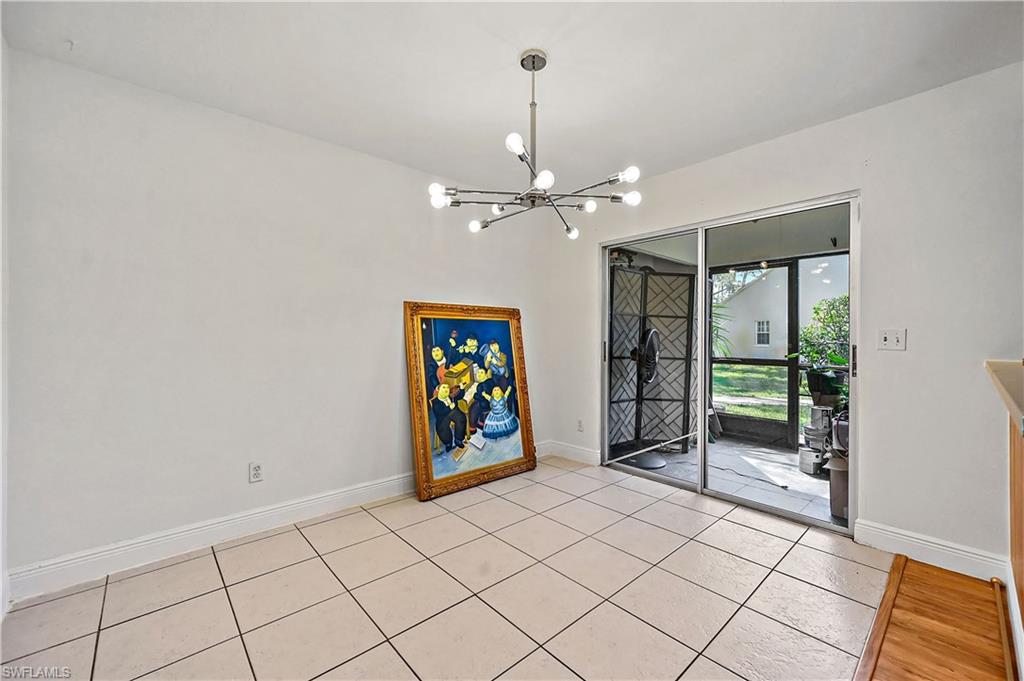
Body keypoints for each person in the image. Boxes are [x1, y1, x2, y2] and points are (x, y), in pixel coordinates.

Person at [431, 383, 467, 453]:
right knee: (442, 428)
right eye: (443, 388)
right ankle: (448, 443)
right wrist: (449, 408)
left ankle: (458, 440)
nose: (446, 389)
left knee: (461, 418)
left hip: (453, 412)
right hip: (442, 416)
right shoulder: (436, 402)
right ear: (438, 390)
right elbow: (438, 412)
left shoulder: (451, 396)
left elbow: (460, 396)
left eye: (447, 387)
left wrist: (462, 389)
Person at [465, 367, 495, 433]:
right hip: (491, 403)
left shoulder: (481, 385)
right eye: (478, 372)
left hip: (486, 404)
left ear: (486, 374)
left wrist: (475, 395)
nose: (479, 374)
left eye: (481, 372)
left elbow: (481, 397)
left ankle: (472, 428)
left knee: (473, 407)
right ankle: (480, 422)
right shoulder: (490, 381)